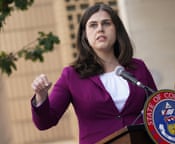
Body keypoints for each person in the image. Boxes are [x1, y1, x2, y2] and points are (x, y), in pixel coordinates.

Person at [30, 3, 157, 144]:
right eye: (93, 25)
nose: (100, 29)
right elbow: (45, 122)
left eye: (106, 23)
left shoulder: (138, 67)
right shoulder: (72, 75)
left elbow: (158, 109)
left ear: (116, 30)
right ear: (84, 35)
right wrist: (41, 97)